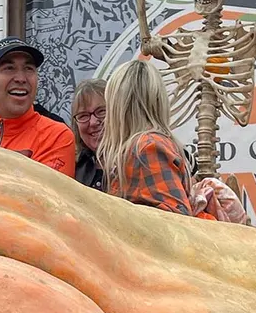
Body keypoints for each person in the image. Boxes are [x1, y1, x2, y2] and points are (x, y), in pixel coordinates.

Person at [98, 60, 247, 223]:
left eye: (107, 106)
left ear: (118, 106)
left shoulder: (147, 148)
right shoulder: (146, 146)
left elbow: (176, 224)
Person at [0, 38, 75, 176]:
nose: (21, 78)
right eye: (9, 68)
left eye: (28, 69)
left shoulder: (56, 136)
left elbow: (45, 195)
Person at [71, 78, 107, 190]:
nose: (92, 122)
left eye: (101, 111)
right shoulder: (74, 168)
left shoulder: (139, 160)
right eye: (83, 116)